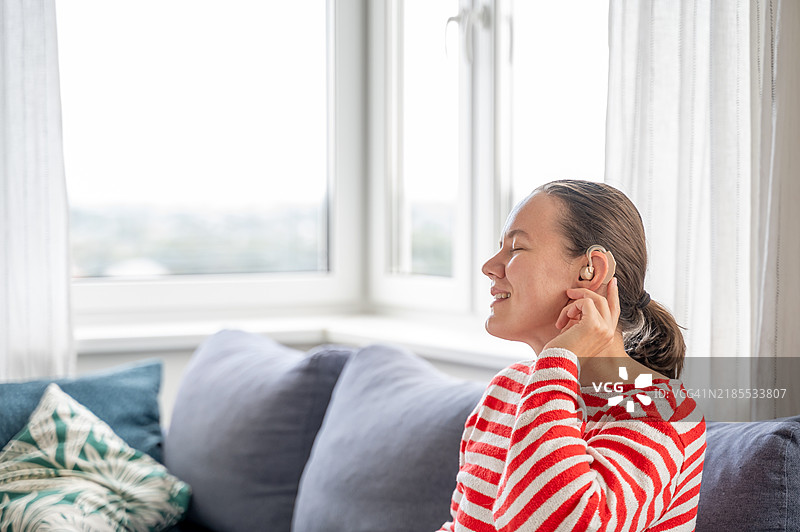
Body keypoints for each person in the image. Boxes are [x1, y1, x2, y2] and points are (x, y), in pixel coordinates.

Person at [437, 180, 706, 532]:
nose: (489, 265)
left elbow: (556, 523)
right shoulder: (505, 389)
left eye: (516, 248)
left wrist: (558, 358)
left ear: (590, 270)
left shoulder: (663, 412)